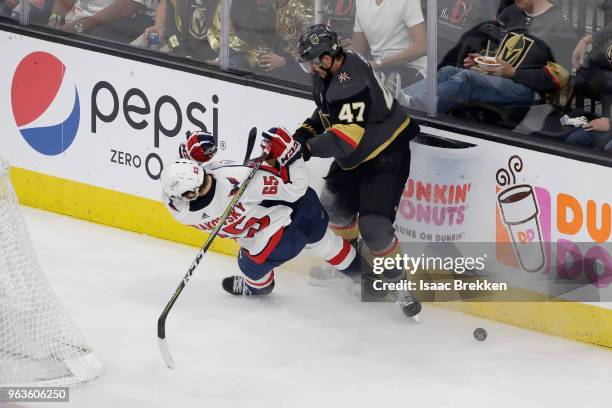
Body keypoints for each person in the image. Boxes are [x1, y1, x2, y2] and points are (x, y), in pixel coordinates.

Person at [293, 24, 422, 319]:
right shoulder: (328, 72)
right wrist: (301, 135)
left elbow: (344, 137)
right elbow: (327, 113)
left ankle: (400, 286)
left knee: (374, 227)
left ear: (328, 58)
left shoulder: (351, 81)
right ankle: (355, 269)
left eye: (313, 62)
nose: (310, 68)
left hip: (385, 151)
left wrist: (307, 149)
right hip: (353, 154)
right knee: (335, 210)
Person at [161, 128, 362, 296]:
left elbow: (182, 181)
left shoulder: (180, 211)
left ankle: (258, 288)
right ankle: (368, 280)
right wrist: (291, 155)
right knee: (329, 245)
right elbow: (294, 190)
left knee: (249, 268)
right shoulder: (241, 180)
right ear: (190, 194)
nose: (208, 178)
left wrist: (188, 154)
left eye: (203, 174)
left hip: (267, 247)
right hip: (302, 215)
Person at [402, 0, 574, 115]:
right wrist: (482, 60)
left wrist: (514, 73)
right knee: (448, 71)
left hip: (530, 91)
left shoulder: (559, 22)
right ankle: (398, 100)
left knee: (467, 79)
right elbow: (499, 52)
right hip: (499, 80)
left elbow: (560, 76)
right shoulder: (511, 13)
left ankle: (413, 109)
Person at [350, 0, 427, 91]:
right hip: (379, 71)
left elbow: (422, 47)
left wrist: (380, 63)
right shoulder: (360, 2)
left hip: (412, 69)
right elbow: (357, 48)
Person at [132, 0, 218, 62]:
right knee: (134, 53)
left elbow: (229, 39)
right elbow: (171, 32)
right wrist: (178, 50)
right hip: (180, 51)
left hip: (216, 59)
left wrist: (219, 60)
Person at [46, 0, 156, 43]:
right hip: (76, 16)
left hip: (111, 21)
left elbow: (129, 5)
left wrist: (78, 26)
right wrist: (55, 17)